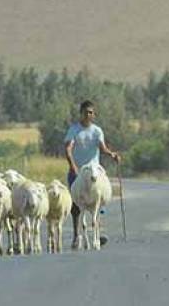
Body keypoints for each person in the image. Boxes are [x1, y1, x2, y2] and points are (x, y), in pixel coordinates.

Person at [64, 100, 120, 248]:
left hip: (94, 170)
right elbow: (68, 148)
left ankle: (97, 232)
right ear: (81, 113)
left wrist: (112, 154)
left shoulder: (97, 131)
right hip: (78, 171)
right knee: (76, 205)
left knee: (98, 201)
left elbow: (102, 148)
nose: (88, 115)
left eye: (91, 112)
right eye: (85, 112)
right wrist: (73, 166)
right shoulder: (74, 130)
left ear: (94, 114)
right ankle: (77, 236)